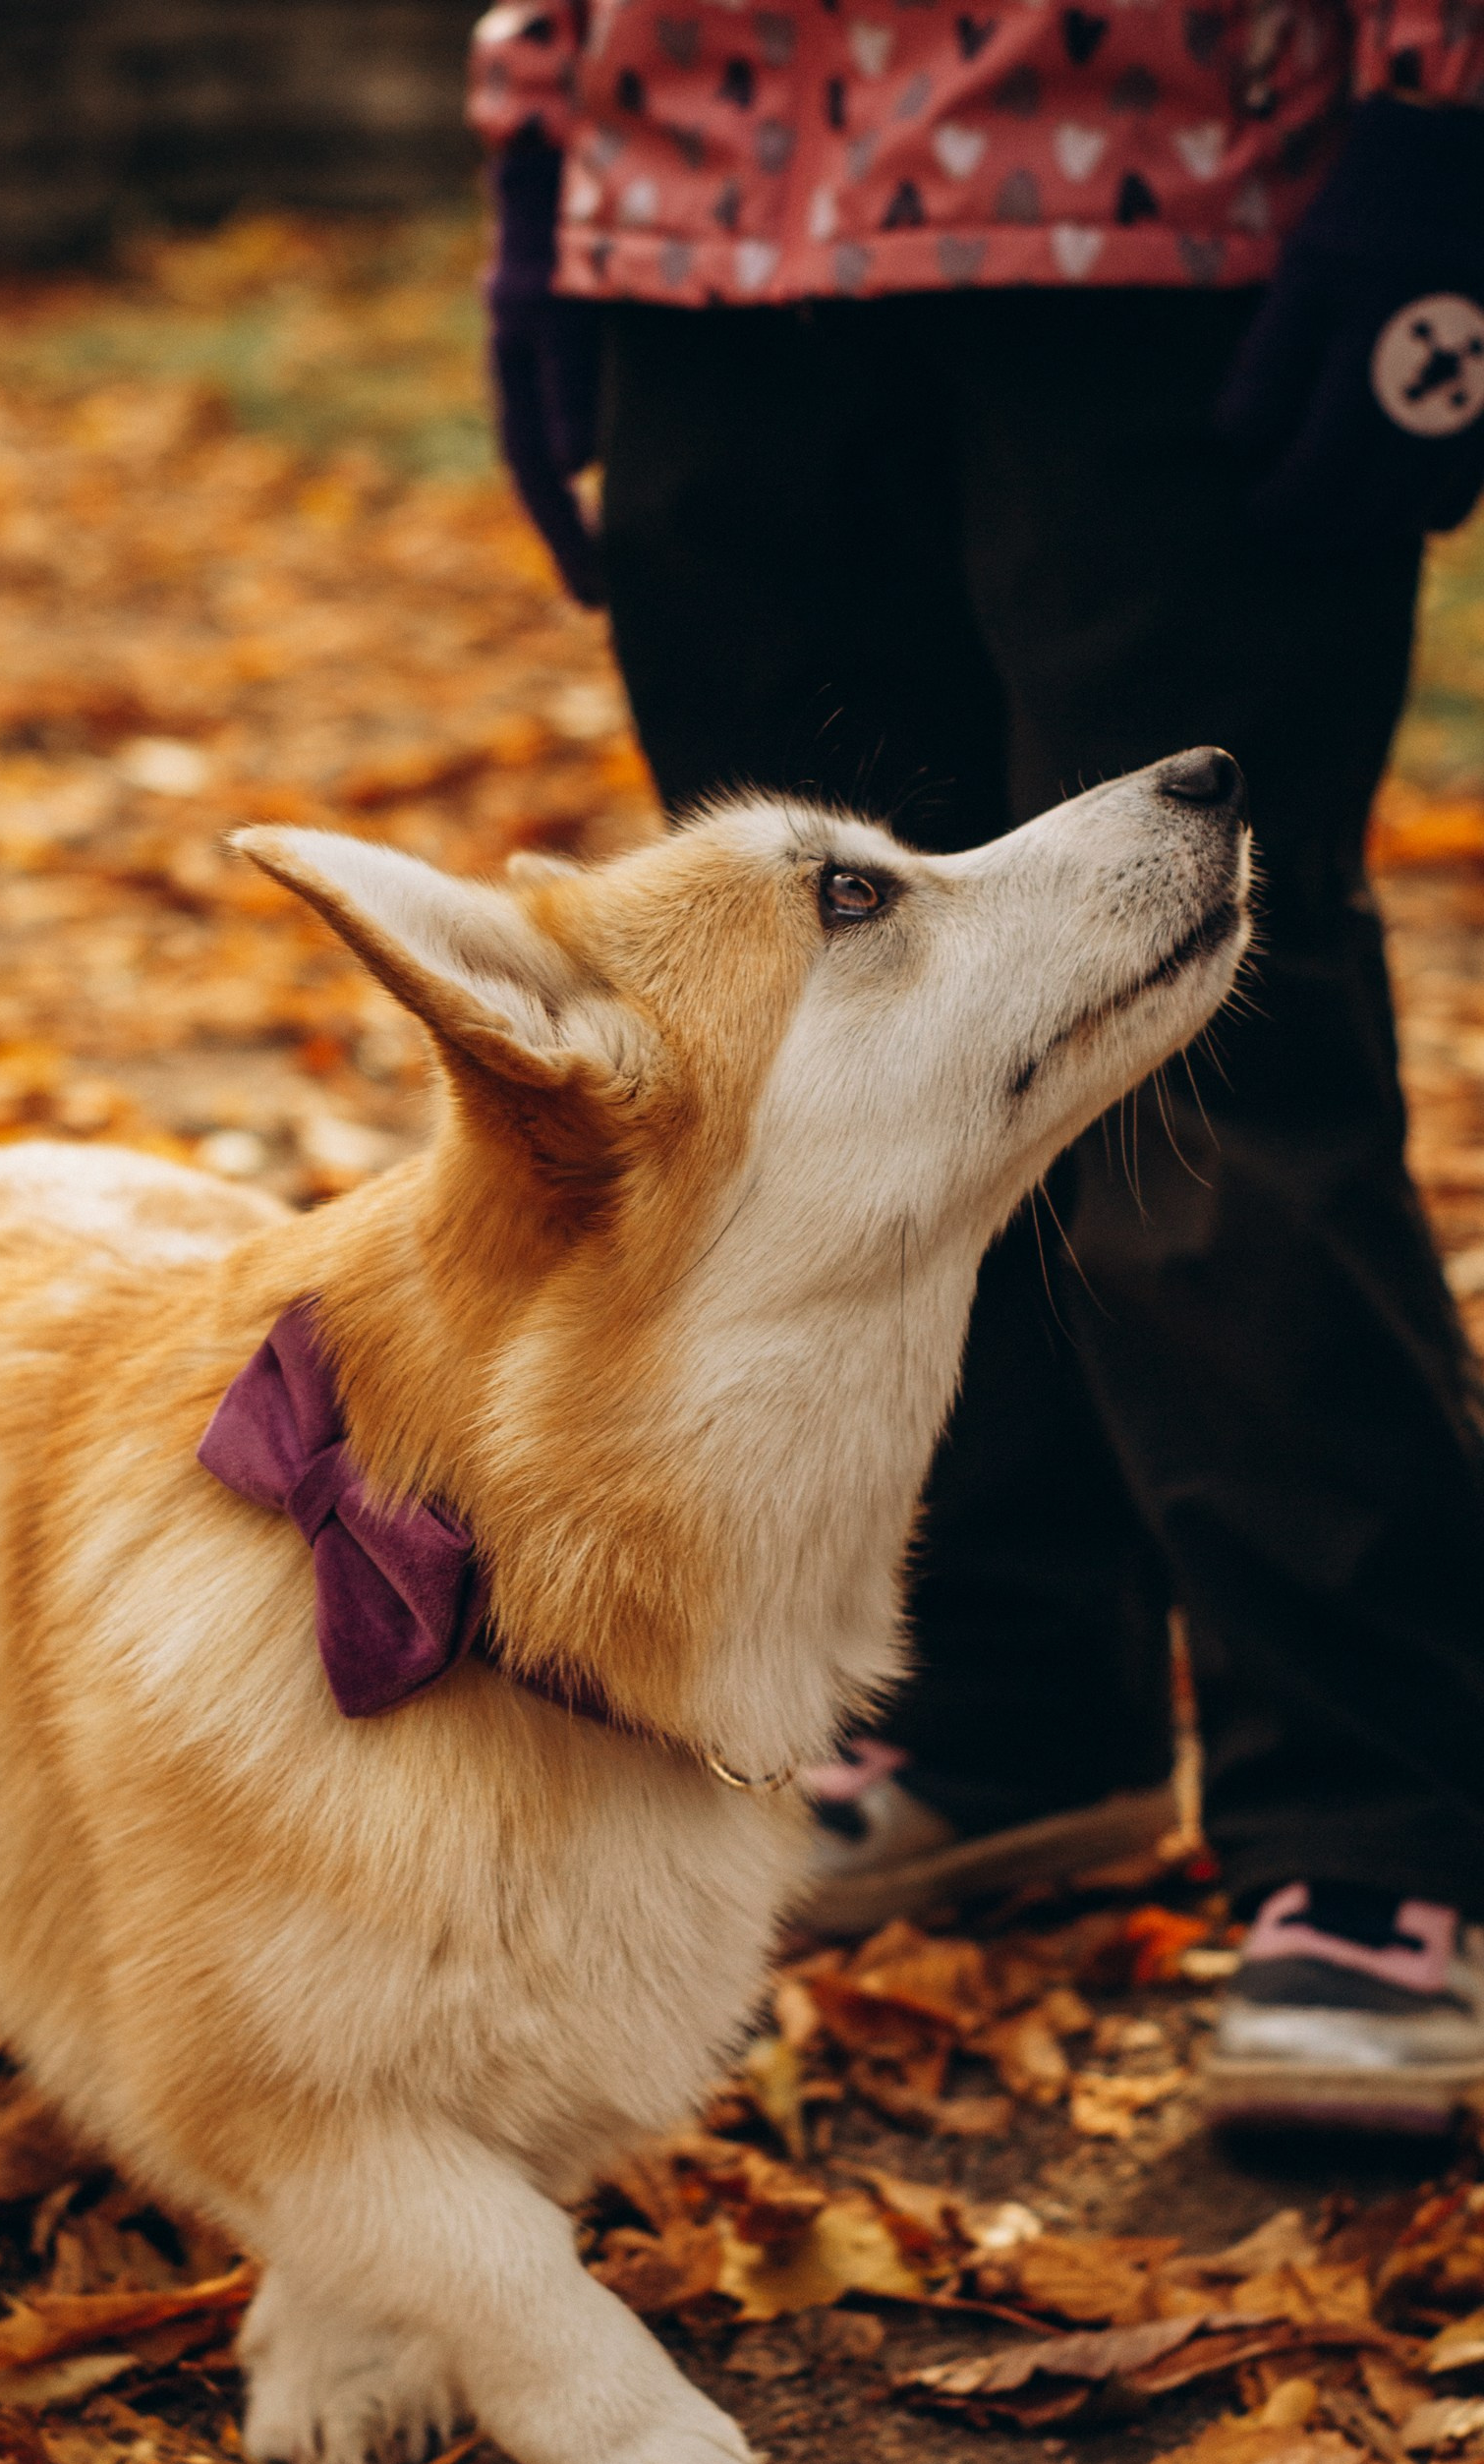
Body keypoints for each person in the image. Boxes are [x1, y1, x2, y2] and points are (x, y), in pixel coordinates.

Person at [469, 0, 1484, 2131]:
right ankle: (1012, 1721)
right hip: (699, 220)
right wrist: (537, 141)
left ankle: (1378, 1838)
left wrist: (1430, 124)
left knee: (1220, 1061)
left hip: (1166, 194)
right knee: (867, 1050)